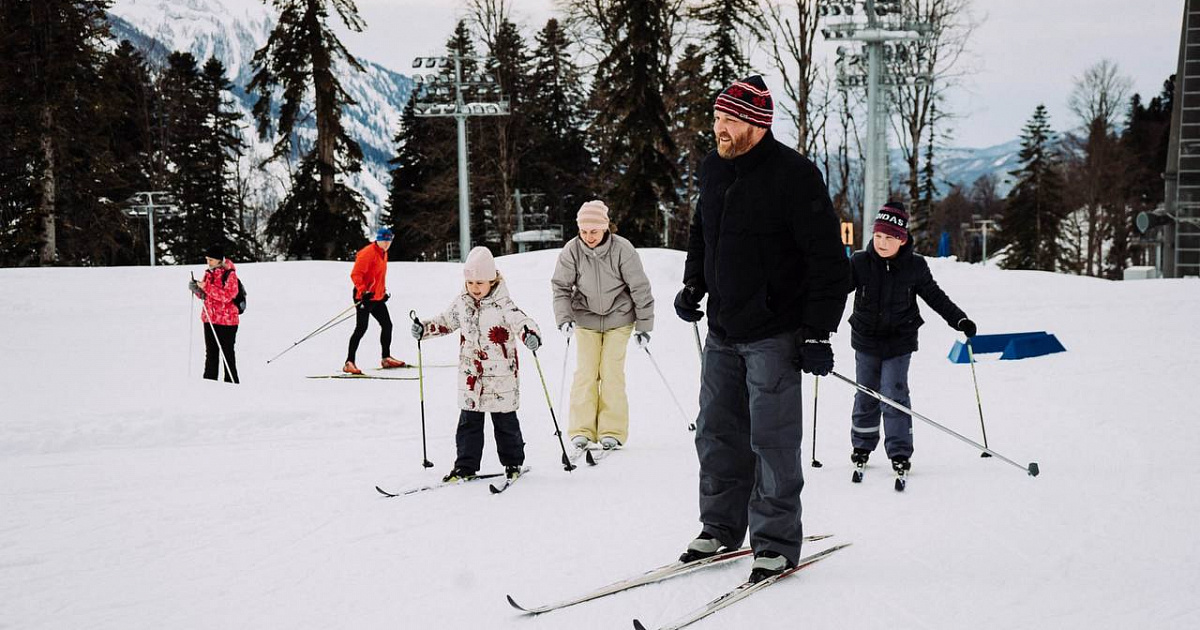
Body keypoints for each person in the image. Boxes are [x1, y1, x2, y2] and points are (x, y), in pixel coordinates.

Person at [673, 75, 850, 583]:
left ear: (755, 125)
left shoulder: (794, 176)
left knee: (771, 441)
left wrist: (817, 332)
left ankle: (773, 543)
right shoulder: (713, 168)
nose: (719, 129)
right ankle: (720, 527)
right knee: (716, 433)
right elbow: (702, 231)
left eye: (728, 121)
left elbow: (828, 262)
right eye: (716, 118)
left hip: (776, 331)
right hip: (724, 331)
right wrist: (694, 285)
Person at [847, 202, 976, 474]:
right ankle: (862, 445)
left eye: (889, 238)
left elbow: (935, 296)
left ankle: (900, 450)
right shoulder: (860, 262)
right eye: (878, 236)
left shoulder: (915, 266)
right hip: (866, 339)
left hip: (899, 341)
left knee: (894, 394)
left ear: (902, 239)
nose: (881, 243)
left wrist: (959, 319)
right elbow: (835, 291)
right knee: (866, 393)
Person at [411, 246, 542, 482]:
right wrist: (424, 328)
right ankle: (465, 467)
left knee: (505, 424)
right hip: (471, 377)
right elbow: (446, 321)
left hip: (501, 378)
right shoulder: (463, 302)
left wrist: (530, 334)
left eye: (480, 282)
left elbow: (522, 321)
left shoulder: (504, 304)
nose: (474, 288)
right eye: (470, 282)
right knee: (468, 425)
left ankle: (513, 463)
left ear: (492, 280)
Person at [551, 200, 655, 453]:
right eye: (584, 232)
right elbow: (561, 288)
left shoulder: (623, 250)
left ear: (606, 227)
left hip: (619, 318)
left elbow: (640, 288)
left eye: (594, 231)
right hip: (586, 319)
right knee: (586, 373)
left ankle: (612, 430)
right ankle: (581, 430)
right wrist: (564, 318)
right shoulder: (571, 251)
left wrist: (644, 325)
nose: (588, 237)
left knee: (611, 373)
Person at [345, 227, 406, 375]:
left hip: (376, 297)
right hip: (364, 296)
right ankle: (349, 362)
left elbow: (378, 276)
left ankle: (386, 358)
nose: (386, 244)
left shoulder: (383, 253)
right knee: (361, 328)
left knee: (387, 325)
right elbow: (356, 274)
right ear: (377, 239)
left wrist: (382, 292)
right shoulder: (368, 253)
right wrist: (363, 291)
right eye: (384, 240)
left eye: (389, 241)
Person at [189, 244, 241, 383]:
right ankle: (209, 384)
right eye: (207, 259)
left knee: (227, 354)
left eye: (211, 259)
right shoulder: (208, 273)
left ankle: (231, 384)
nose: (208, 262)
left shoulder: (230, 274)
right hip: (209, 319)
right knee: (211, 354)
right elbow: (207, 296)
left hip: (227, 321)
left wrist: (206, 286)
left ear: (219, 260)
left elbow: (227, 296)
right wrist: (197, 289)